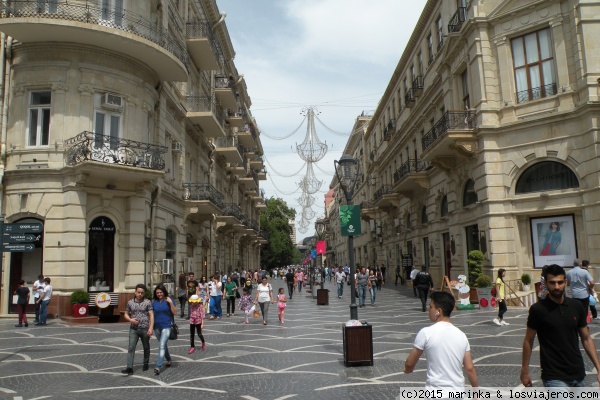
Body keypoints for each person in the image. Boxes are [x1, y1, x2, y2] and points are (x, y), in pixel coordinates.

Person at [521, 264, 600, 387]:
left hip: (578, 373)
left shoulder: (576, 306)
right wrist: (525, 370)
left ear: (566, 282)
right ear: (546, 284)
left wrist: (598, 368)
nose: (556, 287)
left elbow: (586, 338)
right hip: (553, 375)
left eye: (560, 282)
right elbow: (528, 340)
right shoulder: (538, 309)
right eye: (552, 283)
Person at [404, 291, 478, 393]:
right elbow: (469, 368)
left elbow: (410, 363)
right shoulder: (461, 335)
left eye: (430, 307)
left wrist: (408, 369)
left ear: (438, 311)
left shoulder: (426, 333)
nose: (428, 310)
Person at [122, 283, 154, 375]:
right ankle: (129, 367)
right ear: (135, 292)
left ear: (144, 293)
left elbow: (151, 315)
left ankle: (146, 363)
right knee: (131, 347)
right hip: (134, 328)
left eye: (142, 293)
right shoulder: (130, 302)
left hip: (144, 328)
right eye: (138, 292)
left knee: (146, 347)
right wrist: (130, 319)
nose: (140, 294)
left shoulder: (147, 302)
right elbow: (126, 313)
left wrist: (151, 328)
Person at [152, 284, 176, 375]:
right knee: (163, 345)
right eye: (157, 293)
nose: (159, 294)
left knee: (161, 345)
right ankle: (169, 359)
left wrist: (170, 303)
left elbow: (174, 312)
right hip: (157, 326)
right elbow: (151, 315)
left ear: (164, 292)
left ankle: (158, 366)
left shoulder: (169, 300)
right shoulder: (154, 302)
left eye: (161, 292)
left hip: (167, 326)